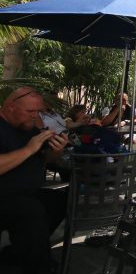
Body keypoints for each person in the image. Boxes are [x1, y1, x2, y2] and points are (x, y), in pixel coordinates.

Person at [0, 87, 69, 273]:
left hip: (25, 194)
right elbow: (28, 152)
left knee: (59, 201)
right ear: (10, 107)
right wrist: (28, 149)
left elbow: (46, 160)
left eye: (38, 111)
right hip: (4, 197)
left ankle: (18, 254)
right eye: (30, 111)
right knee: (31, 212)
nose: (35, 116)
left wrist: (57, 150)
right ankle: (38, 266)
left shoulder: (27, 128)